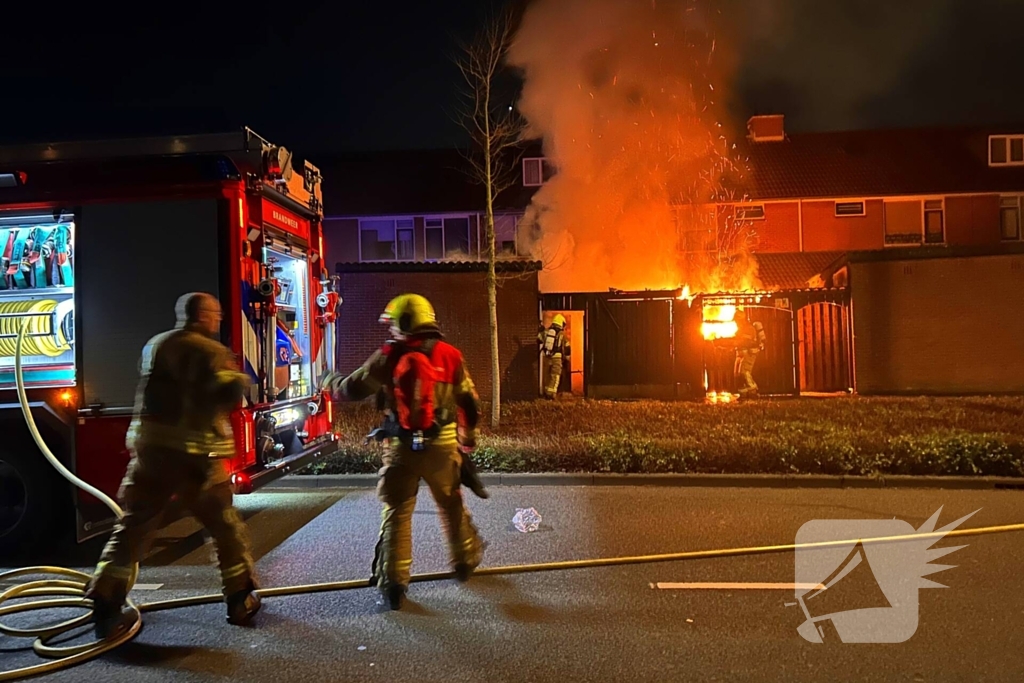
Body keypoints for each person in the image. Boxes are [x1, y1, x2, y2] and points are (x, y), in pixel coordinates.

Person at [86, 293, 261, 637]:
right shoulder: (211, 352)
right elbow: (227, 395)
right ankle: (240, 599)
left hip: (151, 454)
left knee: (135, 526)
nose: (219, 321)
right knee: (225, 528)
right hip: (196, 460)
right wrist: (239, 378)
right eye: (217, 315)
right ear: (204, 316)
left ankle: (105, 602)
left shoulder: (156, 345)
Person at [321, 293, 485, 610]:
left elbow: (352, 388)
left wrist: (328, 380)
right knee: (452, 505)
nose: (391, 332)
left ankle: (393, 582)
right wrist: (469, 437)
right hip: (442, 447)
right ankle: (465, 559)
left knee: (397, 514)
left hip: (400, 448)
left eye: (393, 325)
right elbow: (469, 401)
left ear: (403, 322)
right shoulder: (450, 355)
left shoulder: (389, 355)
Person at [732, 309, 766, 398]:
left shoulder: (749, 329)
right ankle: (743, 393)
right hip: (740, 353)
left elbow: (749, 342)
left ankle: (753, 390)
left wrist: (737, 343)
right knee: (737, 374)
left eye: (736, 320)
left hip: (749, 353)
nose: (735, 322)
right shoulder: (740, 329)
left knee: (744, 372)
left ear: (741, 320)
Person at [538, 314, 570, 399]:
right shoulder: (562, 334)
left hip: (547, 357)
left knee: (547, 375)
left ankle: (545, 392)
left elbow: (539, 339)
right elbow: (567, 347)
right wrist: (567, 358)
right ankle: (551, 394)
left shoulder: (547, 332)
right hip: (557, 358)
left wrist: (541, 330)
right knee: (555, 375)